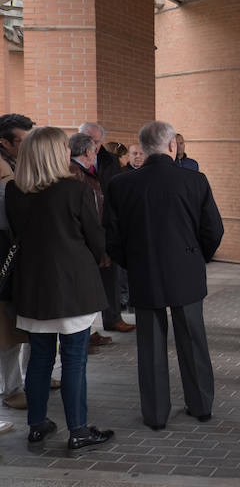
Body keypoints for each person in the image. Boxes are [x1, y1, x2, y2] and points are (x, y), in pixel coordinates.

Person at [104, 121, 223, 431]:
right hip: (186, 271)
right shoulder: (195, 181)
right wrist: (198, 258)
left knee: (150, 345)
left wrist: (132, 263)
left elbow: (112, 238)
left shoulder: (121, 185)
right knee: (193, 341)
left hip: (144, 273)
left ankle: (156, 415)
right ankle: (201, 406)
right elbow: (213, 230)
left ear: (143, 148)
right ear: (172, 145)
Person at [6, 126, 114, 449]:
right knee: (74, 360)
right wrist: (101, 257)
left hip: (33, 289)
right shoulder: (75, 191)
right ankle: (78, 431)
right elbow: (96, 240)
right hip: (73, 289)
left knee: (39, 359)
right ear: (56, 154)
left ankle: (37, 425)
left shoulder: (13, 192)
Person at [69, 133, 135, 337]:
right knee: (84, 285)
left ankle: (110, 320)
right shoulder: (74, 173)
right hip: (87, 237)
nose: (97, 147)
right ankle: (84, 333)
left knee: (110, 278)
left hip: (103, 229)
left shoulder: (109, 161)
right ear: (88, 150)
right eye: (94, 143)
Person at [0, 113, 33, 414]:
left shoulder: (17, 166)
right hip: (4, 257)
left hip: (17, 255)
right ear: (5, 143)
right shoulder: (3, 173)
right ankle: (11, 389)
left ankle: (32, 378)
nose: (27, 146)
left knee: (24, 323)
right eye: (22, 141)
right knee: (8, 329)